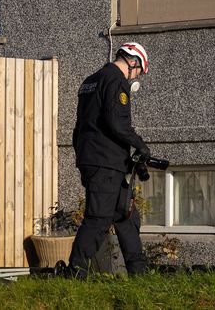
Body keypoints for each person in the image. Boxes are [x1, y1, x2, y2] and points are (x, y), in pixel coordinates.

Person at [68, 42, 151, 277]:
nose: (137, 77)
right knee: (98, 219)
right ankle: (76, 273)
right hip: (106, 162)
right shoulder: (116, 81)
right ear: (133, 62)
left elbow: (80, 127)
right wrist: (141, 145)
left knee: (125, 217)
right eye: (139, 72)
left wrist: (83, 157)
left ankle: (140, 273)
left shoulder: (89, 81)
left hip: (95, 159)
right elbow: (117, 123)